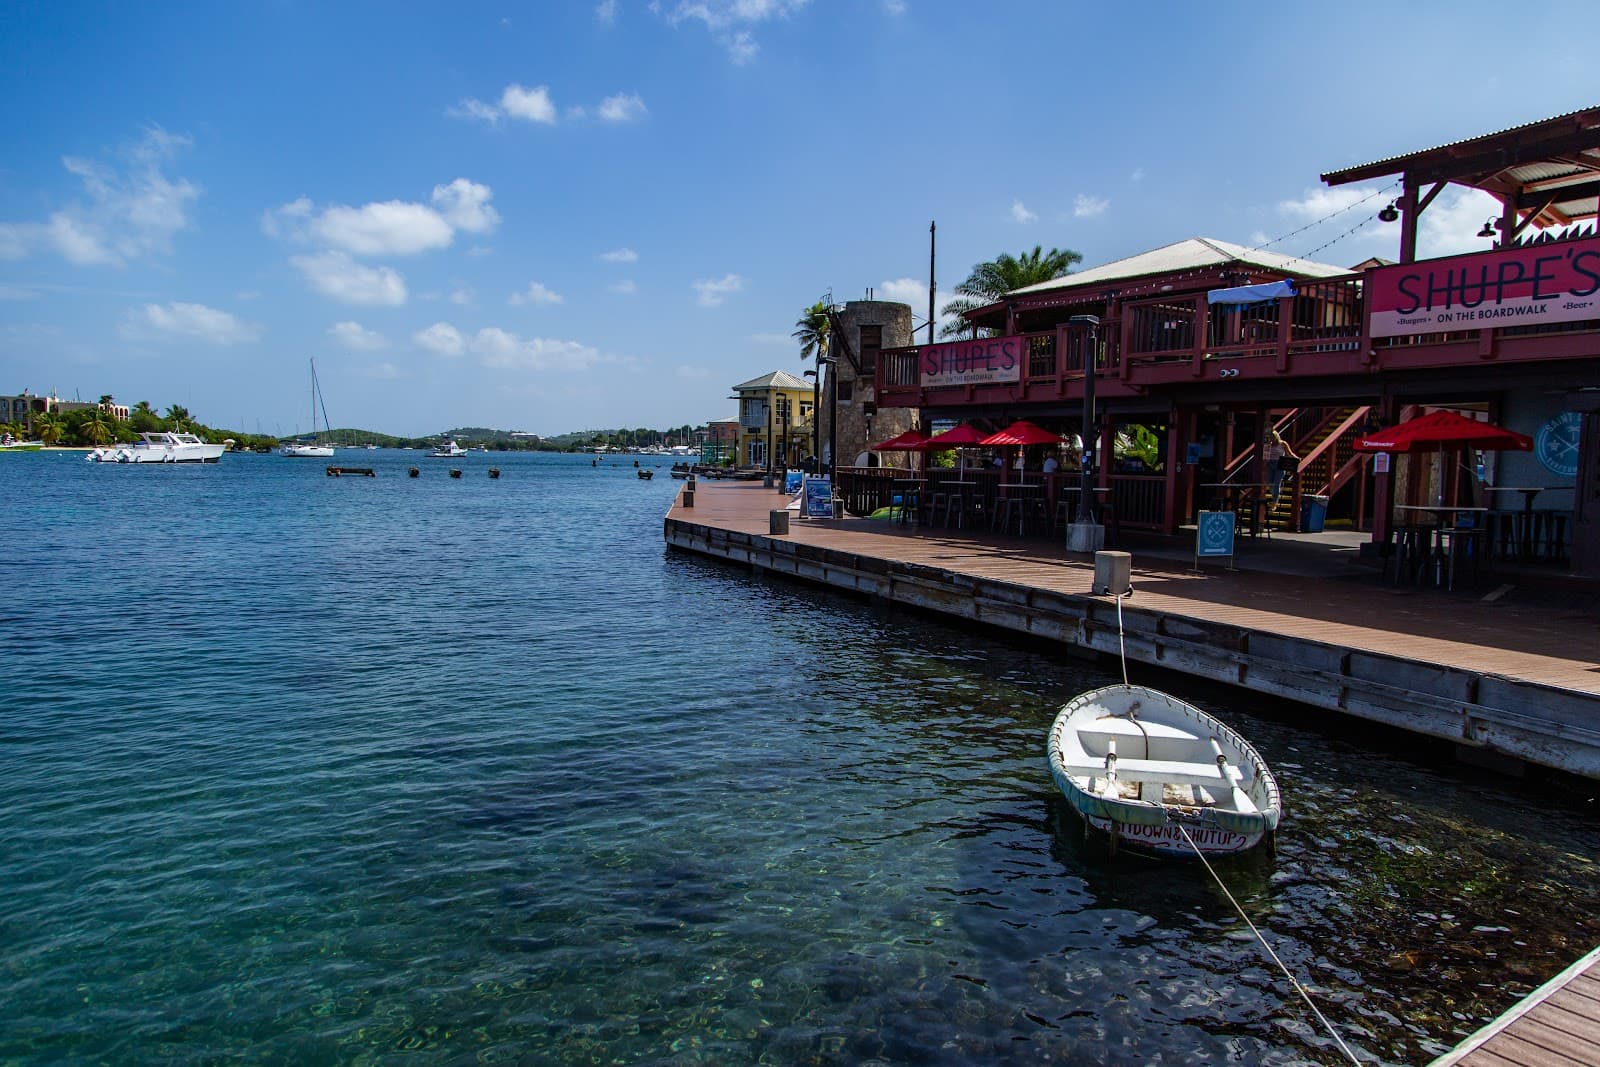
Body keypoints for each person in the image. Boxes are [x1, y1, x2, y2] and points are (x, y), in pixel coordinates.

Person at [1264, 430, 1298, 502]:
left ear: (1276, 437)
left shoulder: (1282, 444)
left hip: (1280, 464)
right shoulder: (1268, 445)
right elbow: (1265, 456)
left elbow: (1289, 453)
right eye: (1270, 437)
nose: (1271, 439)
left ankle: (1275, 501)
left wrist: (1296, 459)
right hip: (1270, 464)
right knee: (1270, 484)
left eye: (1272, 437)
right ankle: (1276, 494)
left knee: (1276, 484)